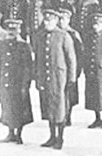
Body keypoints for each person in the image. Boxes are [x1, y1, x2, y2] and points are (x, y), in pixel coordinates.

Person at [32, 9, 76, 150]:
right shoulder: (40, 36)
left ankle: (60, 138)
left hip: (59, 78)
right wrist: (37, 77)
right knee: (48, 107)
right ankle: (51, 136)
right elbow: (37, 59)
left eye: (50, 20)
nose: (47, 23)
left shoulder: (64, 36)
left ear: (56, 21)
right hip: (45, 77)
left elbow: (71, 59)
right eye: (45, 20)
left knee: (59, 108)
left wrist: (71, 78)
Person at [0, 19, 33, 144]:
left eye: (14, 30)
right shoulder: (2, 44)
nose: (12, 33)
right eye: (10, 30)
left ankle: (19, 135)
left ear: (19, 30)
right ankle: (10, 133)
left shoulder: (24, 46)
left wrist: (25, 85)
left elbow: (28, 67)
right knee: (8, 108)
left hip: (18, 83)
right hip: (6, 82)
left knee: (19, 109)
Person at [58, 8, 83, 126]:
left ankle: (68, 116)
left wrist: (76, 71)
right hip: (59, 70)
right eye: (60, 19)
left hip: (71, 70)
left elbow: (79, 54)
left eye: (64, 19)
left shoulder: (73, 34)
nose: (61, 21)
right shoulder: (55, 33)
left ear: (69, 20)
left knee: (70, 95)